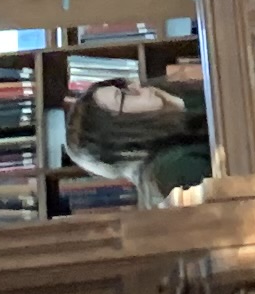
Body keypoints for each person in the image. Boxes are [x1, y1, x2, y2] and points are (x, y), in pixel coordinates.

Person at [63, 69, 213, 199]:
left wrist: (178, 103)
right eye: (123, 94)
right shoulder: (168, 174)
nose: (136, 85)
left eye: (123, 86)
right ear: (119, 133)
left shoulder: (168, 120)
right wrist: (180, 104)